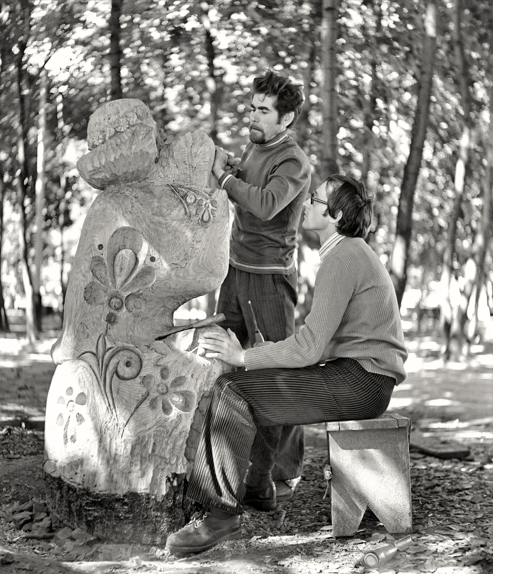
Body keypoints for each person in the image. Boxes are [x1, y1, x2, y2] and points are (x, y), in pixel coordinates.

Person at [166, 175, 408, 557]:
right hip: (359, 376)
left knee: (233, 390)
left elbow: (311, 346)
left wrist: (242, 356)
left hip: (361, 382)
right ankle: (252, 489)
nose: (307, 204)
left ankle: (219, 517)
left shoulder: (344, 257)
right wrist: (270, 355)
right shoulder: (347, 253)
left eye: (315, 200)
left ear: (337, 214)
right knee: (249, 384)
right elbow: (321, 338)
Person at [209, 69, 314, 507]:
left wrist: (226, 180)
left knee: (276, 377)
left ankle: (267, 479)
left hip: (270, 279)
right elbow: (250, 182)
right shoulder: (256, 146)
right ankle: (219, 470)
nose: (253, 115)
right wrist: (233, 167)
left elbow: (268, 205)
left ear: (286, 119)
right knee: (221, 366)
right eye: (252, 107)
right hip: (236, 272)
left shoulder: (294, 161)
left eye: (264, 110)